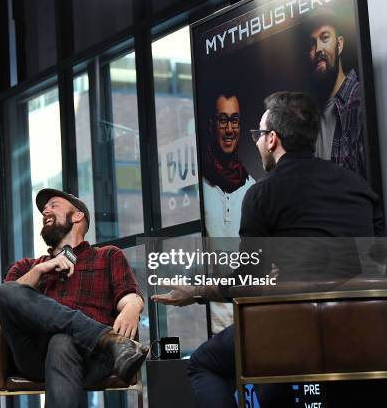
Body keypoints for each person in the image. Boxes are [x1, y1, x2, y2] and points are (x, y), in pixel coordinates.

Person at [153, 92, 383, 407]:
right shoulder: (359, 187)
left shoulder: (263, 194)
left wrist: (194, 291)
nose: (257, 143)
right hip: (362, 332)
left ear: (272, 139)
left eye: (259, 135)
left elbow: (250, 281)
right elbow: (376, 263)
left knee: (203, 364)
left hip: (294, 328)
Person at [0, 188, 148, 408]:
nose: (46, 211)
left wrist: (133, 307)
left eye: (53, 205)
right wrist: (41, 270)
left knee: (61, 341)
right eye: (44, 209)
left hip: (92, 356)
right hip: (34, 356)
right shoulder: (28, 266)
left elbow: (129, 297)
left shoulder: (108, 255)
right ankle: (106, 339)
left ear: (77, 216)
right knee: (8, 290)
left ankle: (103, 341)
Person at [201, 92, 255, 333]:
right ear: (212, 126)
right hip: (206, 323)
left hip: (247, 320)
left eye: (235, 120)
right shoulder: (197, 188)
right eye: (223, 120)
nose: (230, 129)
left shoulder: (252, 188)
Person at [306, 8, 366, 178]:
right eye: (312, 44)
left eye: (325, 38)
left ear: (339, 45)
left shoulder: (358, 102)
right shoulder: (309, 117)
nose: (318, 49)